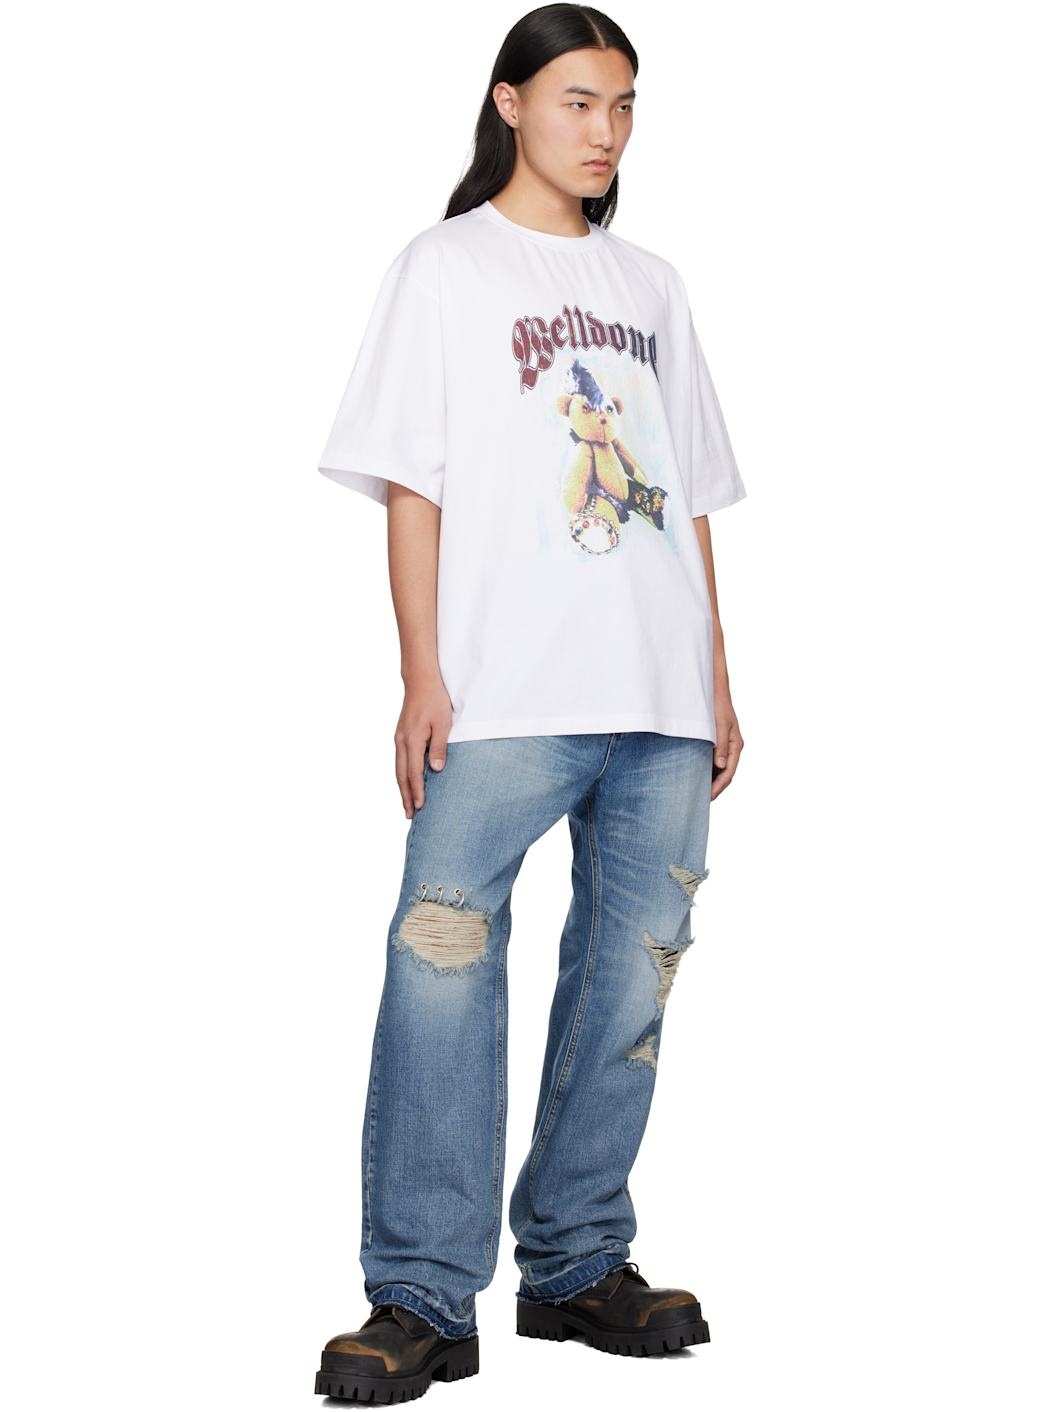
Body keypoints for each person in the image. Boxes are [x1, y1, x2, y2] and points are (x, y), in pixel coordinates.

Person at [312, 4, 747, 1401]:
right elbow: (413, 486)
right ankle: (421, 1295)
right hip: (504, 691)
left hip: (659, 697)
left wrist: (718, 676)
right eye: (577, 101)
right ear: (510, 104)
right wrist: (419, 674)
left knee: (632, 979)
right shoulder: (443, 268)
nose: (605, 131)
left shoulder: (654, 284)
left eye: (623, 106)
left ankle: (574, 1265)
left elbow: (686, 497)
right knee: (441, 962)